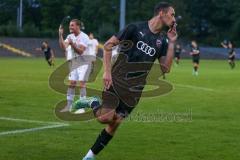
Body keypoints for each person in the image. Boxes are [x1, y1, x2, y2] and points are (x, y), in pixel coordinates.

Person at [82, 2, 177, 160]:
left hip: (135, 90)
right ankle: (92, 102)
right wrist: (107, 72)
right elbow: (108, 46)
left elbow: (165, 69)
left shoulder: (163, 41)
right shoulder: (134, 28)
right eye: (172, 14)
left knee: (114, 124)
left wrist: (172, 42)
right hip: (117, 80)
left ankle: (89, 156)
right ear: (161, 13)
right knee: (105, 118)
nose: (174, 19)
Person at [58, 19, 91, 112]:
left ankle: (82, 108)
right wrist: (60, 35)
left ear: (78, 26)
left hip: (84, 63)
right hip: (74, 63)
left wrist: (72, 44)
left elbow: (80, 51)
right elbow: (63, 47)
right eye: (70, 25)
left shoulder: (84, 37)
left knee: (82, 84)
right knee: (72, 83)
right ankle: (69, 106)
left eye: (72, 25)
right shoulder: (69, 36)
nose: (70, 27)